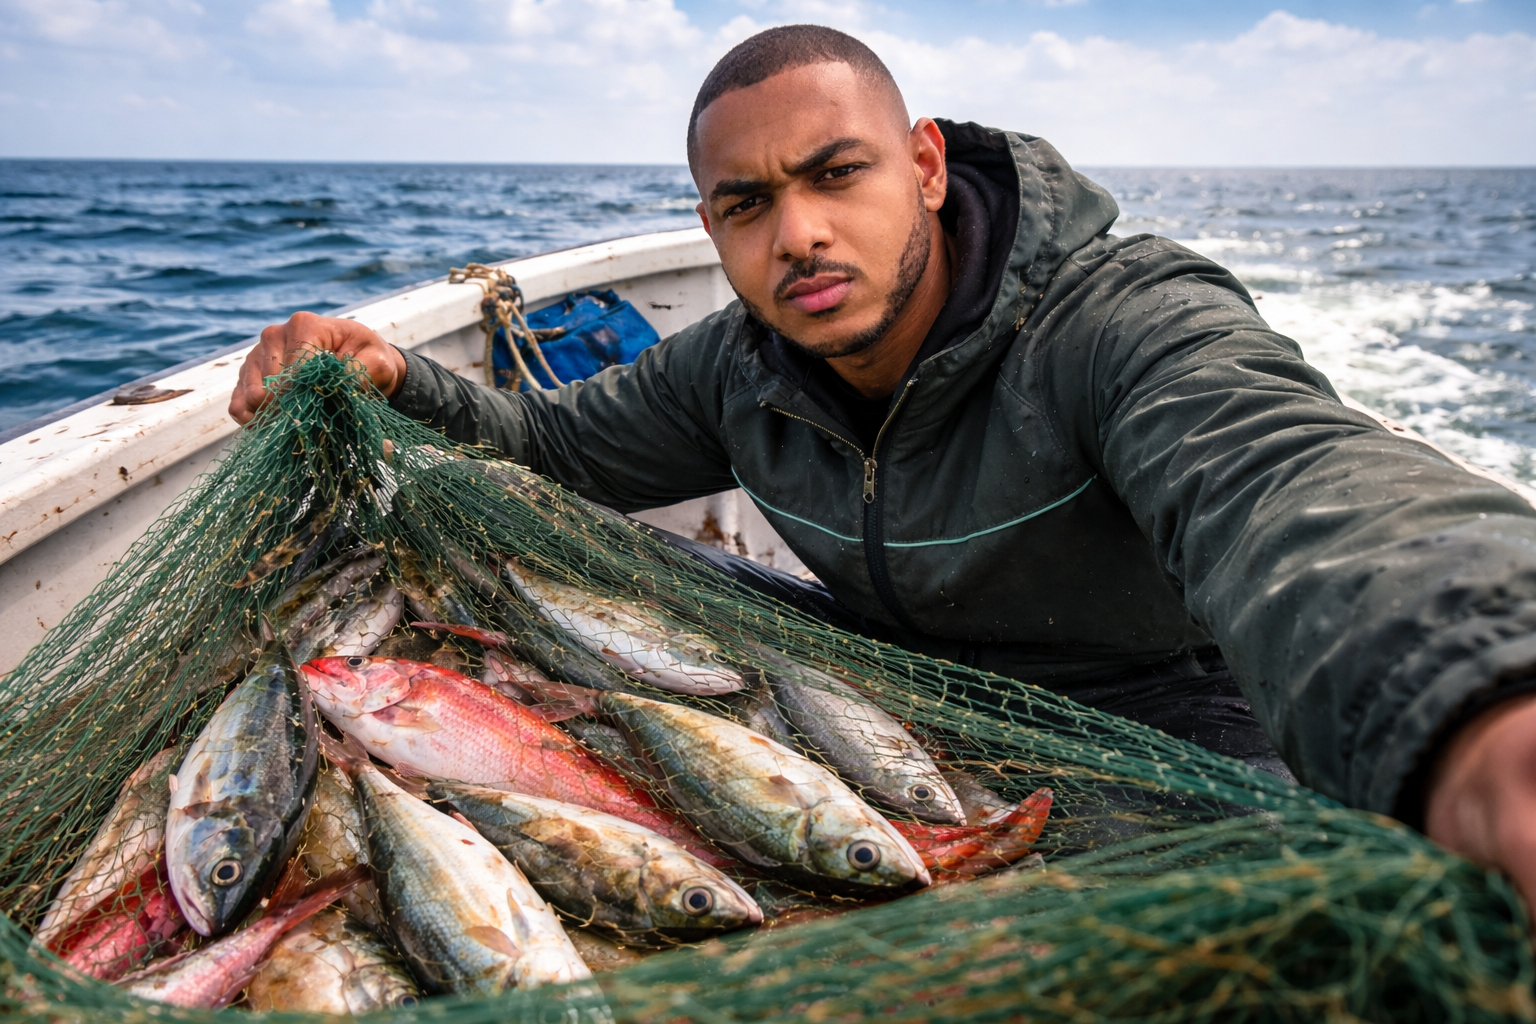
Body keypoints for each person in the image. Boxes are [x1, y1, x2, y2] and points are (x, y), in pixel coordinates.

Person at [229, 25, 1536, 906]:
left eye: (835, 175)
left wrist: (1476, 706)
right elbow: (554, 448)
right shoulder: (735, 366)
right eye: (746, 204)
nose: (796, 233)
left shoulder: (1119, 321)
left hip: (1164, 707)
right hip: (879, 670)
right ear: (710, 229)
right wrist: (399, 377)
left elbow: (1297, 492)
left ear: (919, 167)